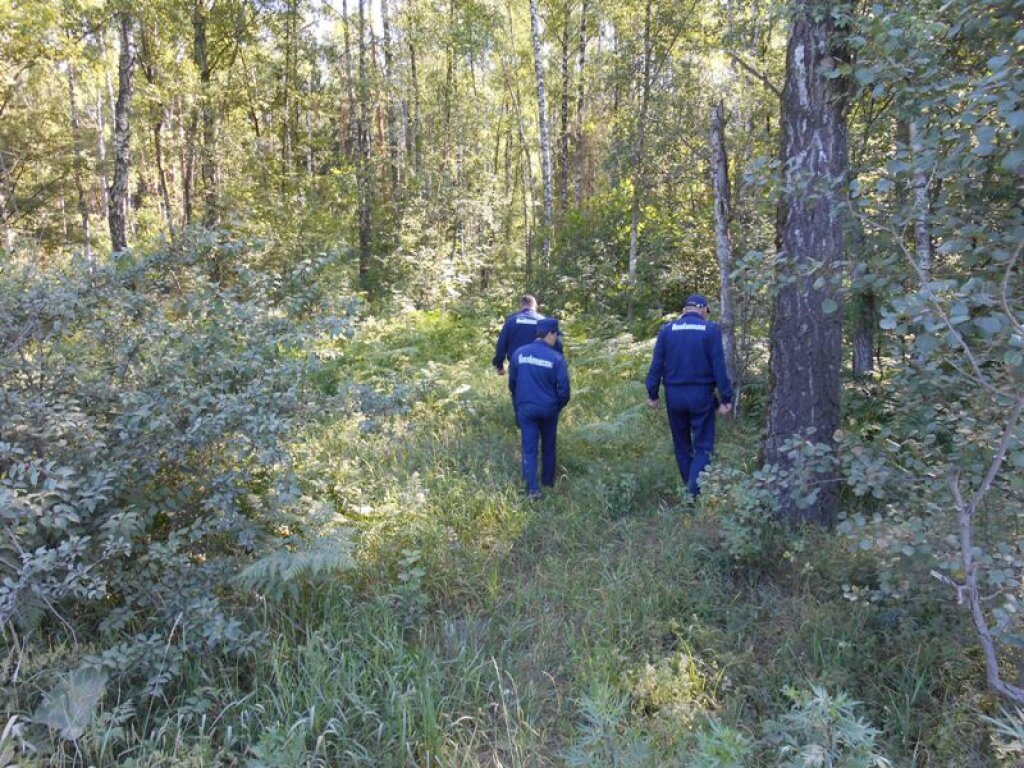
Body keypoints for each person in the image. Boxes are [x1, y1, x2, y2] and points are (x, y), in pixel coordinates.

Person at [645, 294, 733, 498]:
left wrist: (652, 393)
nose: (706, 315)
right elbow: (719, 366)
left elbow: (656, 364)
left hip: (674, 395)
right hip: (701, 395)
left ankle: (689, 492)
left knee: (682, 445)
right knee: (703, 446)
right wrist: (726, 397)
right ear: (701, 308)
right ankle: (692, 493)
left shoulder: (667, 330)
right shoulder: (710, 330)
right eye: (706, 311)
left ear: (685, 310)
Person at [508, 317, 571, 499]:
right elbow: (565, 390)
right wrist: (556, 406)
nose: (557, 339)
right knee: (548, 446)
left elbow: (512, 383)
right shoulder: (556, 358)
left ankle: (532, 489)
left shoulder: (519, 353)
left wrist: (519, 402)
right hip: (548, 409)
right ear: (550, 334)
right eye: (556, 335)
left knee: (529, 449)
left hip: (526, 408)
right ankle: (548, 482)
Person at [493, 295, 562, 376]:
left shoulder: (511, 321)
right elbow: (557, 344)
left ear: (521, 306)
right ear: (535, 306)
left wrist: (499, 366)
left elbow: (501, 344)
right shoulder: (544, 321)